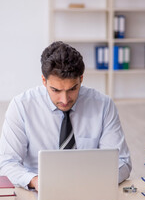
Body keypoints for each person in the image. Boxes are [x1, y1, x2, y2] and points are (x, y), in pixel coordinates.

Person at [0, 41, 132, 191]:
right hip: (40, 191)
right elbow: (7, 163)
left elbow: (122, 162)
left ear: (81, 79)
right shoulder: (21, 106)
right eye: (56, 90)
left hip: (91, 189)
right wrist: (35, 181)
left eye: (72, 89)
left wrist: (92, 181)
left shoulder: (103, 105)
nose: (64, 99)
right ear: (44, 81)